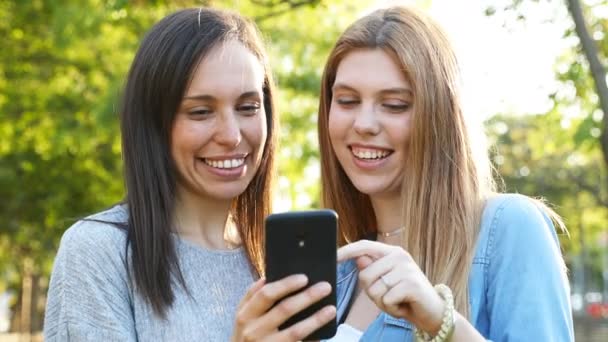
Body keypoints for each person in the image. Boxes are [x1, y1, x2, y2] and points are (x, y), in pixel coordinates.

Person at [43, 8, 334, 341]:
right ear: (154, 125)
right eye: (200, 112)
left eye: (248, 107)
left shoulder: (278, 260)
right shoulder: (98, 252)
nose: (232, 135)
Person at [316, 6, 574, 341]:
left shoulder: (507, 228)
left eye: (394, 105)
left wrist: (441, 321)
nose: (364, 124)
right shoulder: (341, 270)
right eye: (347, 101)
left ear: (440, 116)